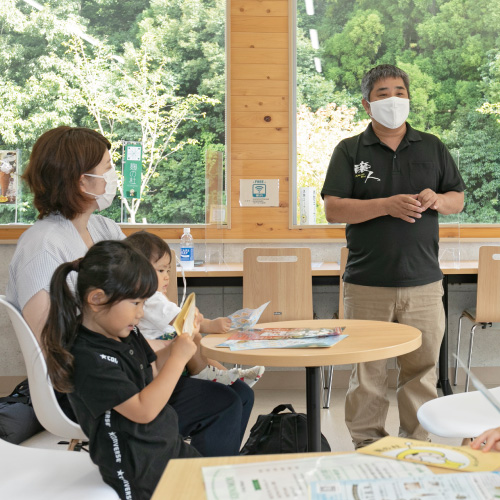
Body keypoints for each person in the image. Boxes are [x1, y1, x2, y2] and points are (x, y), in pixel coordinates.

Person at [6, 126, 254, 449]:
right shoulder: (40, 246)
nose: (113, 177)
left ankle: (184, 472)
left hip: (127, 366)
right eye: (107, 169)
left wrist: (180, 329)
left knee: (240, 393)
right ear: (82, 182)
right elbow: (54, 343)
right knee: (224, 403)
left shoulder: (102, 227)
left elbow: (145, 293)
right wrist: (159, 353)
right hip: (90, 385)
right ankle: (184, 484)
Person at [321, 64, 465, 449]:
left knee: (421, 371)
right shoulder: (349, 150)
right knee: (369, 373)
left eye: (399, 91)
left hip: (423, 282)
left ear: (409, 98)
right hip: (367, 282)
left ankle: (416, 444)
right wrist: (384, 205)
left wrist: (438, 199)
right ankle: (370, 446)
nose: (393, 99)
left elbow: (458, 198)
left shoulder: (432, 145)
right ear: (367, 105)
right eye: (383, 93)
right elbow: (333, 209)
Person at [41, 240, 202, 500]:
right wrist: (179, 360)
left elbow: (152, 369)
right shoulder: (88, 357)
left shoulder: (124, 332)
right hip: (136, 467)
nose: (141, 313)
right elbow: (143, 410)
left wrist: (176, 345)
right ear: (97, 299)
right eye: (136, 303)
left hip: (164, 446)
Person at [125, 230, 265, 387]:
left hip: (154, 349)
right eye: (161, 270)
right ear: (139, 272)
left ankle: (228, 376)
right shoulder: (151, 297)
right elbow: (183, 320)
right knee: (194, 336)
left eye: (168, 270)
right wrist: (211, 325)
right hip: (156, 354)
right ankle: (205, 374)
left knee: (197, 342)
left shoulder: (141, 295)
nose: (167, 277)